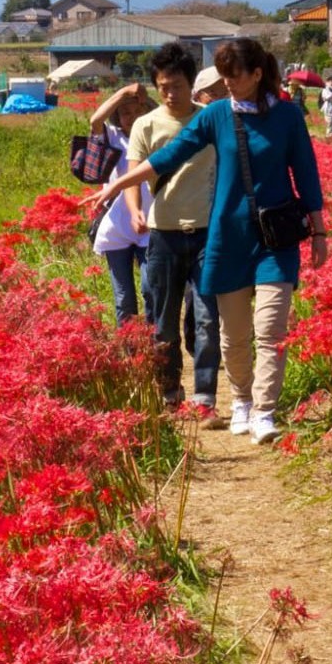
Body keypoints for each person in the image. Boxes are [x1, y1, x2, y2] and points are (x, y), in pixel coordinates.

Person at [88, 37, 328, 445]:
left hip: (275, 239)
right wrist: (118, 187)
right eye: (223, 76)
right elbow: (170, 155)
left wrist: (319, 230)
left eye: (234, 76)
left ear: (256, 74)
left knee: (269, 327)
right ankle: (241, 402)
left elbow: (305, 173)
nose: (227, 83)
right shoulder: (216, 115)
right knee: (233, 333)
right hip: (228, 238)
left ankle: (265, 411)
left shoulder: (287, 116)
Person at [127, 43, 224, 424]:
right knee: (162, 323)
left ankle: (205, 399)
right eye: (164, 86)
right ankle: (170, 394)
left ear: (192, 85)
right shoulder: (146, 124)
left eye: (178, 85)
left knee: (205, 319)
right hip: (163, 234)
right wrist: (135, 209)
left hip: (206, 235)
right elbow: (136, 171)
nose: (171, 93)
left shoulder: (211, 120)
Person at [89, 82, 154, 325]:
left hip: (149, 222)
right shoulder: (113, 137)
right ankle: (130, 354)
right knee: (124, 298)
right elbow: (95, 121)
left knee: (151, 289)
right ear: (118, 116)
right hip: (117, 226)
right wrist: (122, 94)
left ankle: (154, 345)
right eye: (125, 112)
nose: (132, 117)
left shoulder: (155, 136)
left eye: (138, 111)